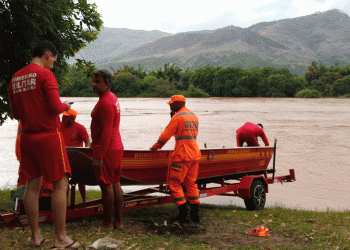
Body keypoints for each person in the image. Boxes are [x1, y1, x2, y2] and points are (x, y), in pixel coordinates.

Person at [8, 40, 80, 249]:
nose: (52, 66)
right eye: (53, 61)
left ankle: (36, 236)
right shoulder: (45, 75)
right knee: (60, 183)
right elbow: (55, 106)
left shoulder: (15, 78)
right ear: (48, 54)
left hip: (27, 138)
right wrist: (65, 105)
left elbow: (15, 114)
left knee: (32, 185)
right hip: (48, 136)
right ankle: (60, 238)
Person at [150, 95, 201, 225]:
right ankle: (196, 215)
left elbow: (165, 135)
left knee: (174, 184)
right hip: (194, 155)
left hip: (182, 156)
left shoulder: (177, 117)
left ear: (178, 104)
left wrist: (154, 148)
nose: (170, 106)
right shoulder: (194, 116)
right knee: (191, 184)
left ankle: (184, 215)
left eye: (171, 104)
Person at [90, 69, 124, 230]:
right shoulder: (111, 98)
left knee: (106, 185)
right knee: (115, 183)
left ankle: (108, 223)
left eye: (97, 82)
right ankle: (118, 221)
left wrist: (99, 155)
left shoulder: (105, 102)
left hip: (108, 149)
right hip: (115, 147)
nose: (93, 84)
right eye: (93, 81)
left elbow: (107, 131)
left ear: (107, 84)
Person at [60, 108, 91, 202]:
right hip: (63, 157)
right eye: (63, 116)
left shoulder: (80, 128)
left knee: (81, 181)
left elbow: (87, 141)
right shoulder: (58, 126)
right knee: (64, 181)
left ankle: (84, 200)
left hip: (77, 158)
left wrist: (86, 152)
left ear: (72, 119)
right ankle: (65, 202)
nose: (62, 118)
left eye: (65, 117)